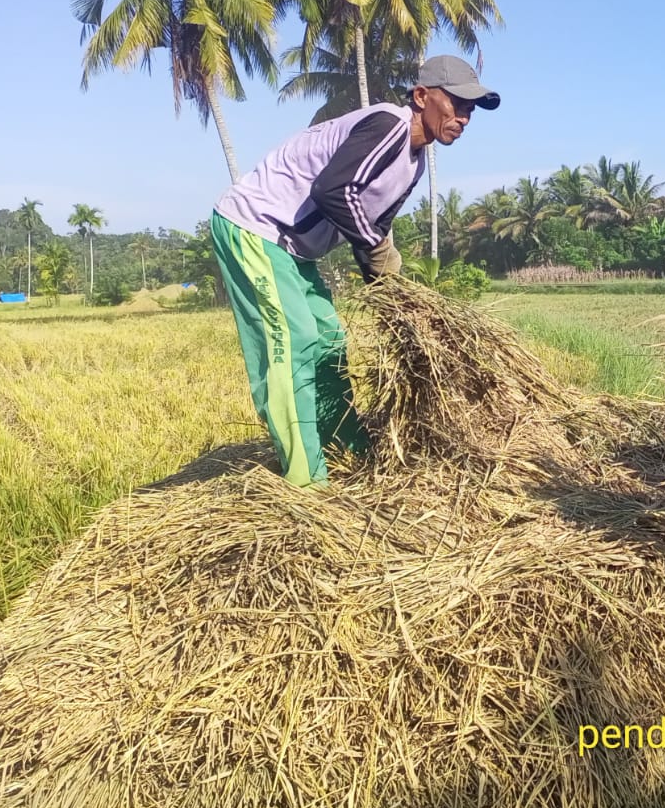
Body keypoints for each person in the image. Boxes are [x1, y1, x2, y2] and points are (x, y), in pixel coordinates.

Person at [210, 54, 500, 486]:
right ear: (422, 96)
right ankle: (306, 481)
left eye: (470, 110)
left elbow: (373, 226)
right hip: (255, 227)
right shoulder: (389, 126)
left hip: (294, 248)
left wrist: (394, 299)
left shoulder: (414, 164)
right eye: (456, 104)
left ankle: (346, 447)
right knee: (294, 344)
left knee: (328, 343)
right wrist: (379, 248)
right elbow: (333, 192)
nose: (463, 117)